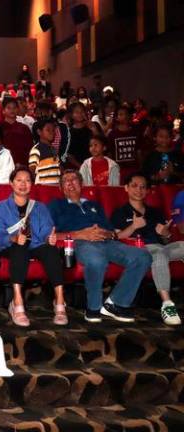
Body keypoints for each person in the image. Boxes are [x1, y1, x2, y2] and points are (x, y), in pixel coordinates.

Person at [48, 169, 152, 323]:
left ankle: (115, 303)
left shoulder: (94, 204)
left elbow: (112, 232)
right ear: (61, 188)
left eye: (74, 179)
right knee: (97, 260)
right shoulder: (56, 205)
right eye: (66, 180)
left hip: (106, 241)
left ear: (81, 184)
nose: (70, 182)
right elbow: (51, 236)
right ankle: (93, 308)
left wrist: (104, 233)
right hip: (79, 242)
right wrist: (80, 234)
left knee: (143, 256)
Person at [0, 167, 66, 326]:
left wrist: (49, 238)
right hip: (11, 246)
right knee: (19, 250)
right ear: (11, 183)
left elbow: (46, 230)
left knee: (51, 251)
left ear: (32, 184)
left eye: (27, 180)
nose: (23, 184)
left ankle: (59, 302)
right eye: (19, 180)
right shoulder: (0, 207)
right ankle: (17, 303)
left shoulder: (40, 207)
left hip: (36, 244)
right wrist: (14, 238)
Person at [110, 173, 182, 325]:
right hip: (139, 250)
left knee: (167, 249)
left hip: (162, 247)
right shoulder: (120, 212)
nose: (139, 190)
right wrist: (133, 226)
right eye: (134, 186)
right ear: (126, 188)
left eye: (143, 187)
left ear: (148, 191)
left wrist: (166, 234)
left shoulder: (155, 212)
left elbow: (165, 239)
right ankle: (167, 304)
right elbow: (116, 237)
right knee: (159, 254)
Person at [106, 105, 143, 171]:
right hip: (118, 169)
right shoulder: (112, 134)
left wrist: (141, 166)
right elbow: (110, 153)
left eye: (126, 114)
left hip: (134, 168)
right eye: (121, 114)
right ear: (116, 118)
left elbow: (139, 151)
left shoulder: (136, 132)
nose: (124, 116)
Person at [0, 98, 34, 166]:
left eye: (14, 107)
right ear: (3, 111)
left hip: (22, 165)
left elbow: (30, 148)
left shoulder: (24, 128)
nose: (12, 110)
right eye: (9, 108)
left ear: (18, 110)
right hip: (3, 165)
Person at [28, 118, 61, 185]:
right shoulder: (36, 150)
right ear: (39, 132)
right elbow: (32, 170)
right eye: (48, 130)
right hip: (43, 187)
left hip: (55, 186)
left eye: (53, 130)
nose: (52, 132)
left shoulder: (53, 149)